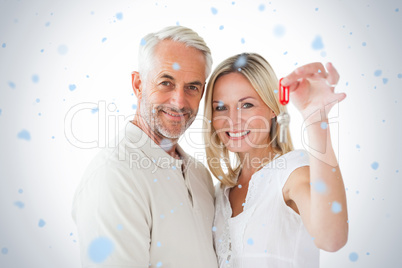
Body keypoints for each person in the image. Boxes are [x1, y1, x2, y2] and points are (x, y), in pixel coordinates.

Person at [72, 26, 218, 268]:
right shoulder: (114, 176)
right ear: (138, 84)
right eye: (166, 83)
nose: (179, 101)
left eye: (192, 87)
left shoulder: (199, 174)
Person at [203, 53, 348, 267]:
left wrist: (316, 120)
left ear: (272, 108)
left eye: (247, 105)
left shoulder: (292, 172)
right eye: (221, 107)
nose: (232, 120)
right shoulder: (219, 192)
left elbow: (331, 239)